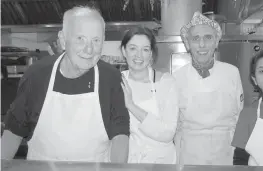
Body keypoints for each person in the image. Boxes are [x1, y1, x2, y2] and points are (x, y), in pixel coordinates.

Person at [1, 6, 130, 163]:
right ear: (63, 39)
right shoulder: (36, 75)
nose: (89, 49)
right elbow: (14, 129)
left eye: (96, 40)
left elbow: (120, 134)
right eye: (80, 39)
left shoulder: (111, 78)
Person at [173, 11, 244, 165]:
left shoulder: (232, 73)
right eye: (195, 39)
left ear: (217, 42)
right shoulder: (176, 78)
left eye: (208, 37)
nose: (202, 45)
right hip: (189, 154)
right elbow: (173, 123)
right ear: (187, 44)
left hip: (225, 152)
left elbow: (239, 116)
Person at [120, 27, 178, 164]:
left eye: (145, 49)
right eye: (133, 48)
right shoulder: (118, 81)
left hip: (160, 161)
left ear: (151, 54)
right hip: (130, 160)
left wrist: (131, 106)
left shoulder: (166, 82)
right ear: (124, 50)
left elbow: (167, 133)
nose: (138, 55)